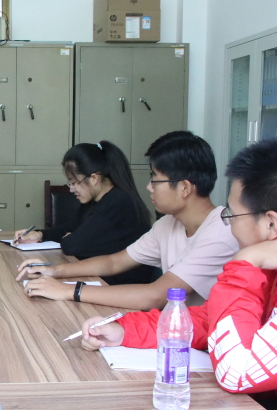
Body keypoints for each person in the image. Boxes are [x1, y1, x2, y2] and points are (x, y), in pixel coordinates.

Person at [79, 137, 277, 410]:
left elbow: (237, 372)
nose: (227, 225)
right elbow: (210, 322)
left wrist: (244, 263)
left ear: (271, 225)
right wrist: (124, 330)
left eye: (231, 215)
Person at [16, 131, 239, 309]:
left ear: (184, 188)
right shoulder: (167, 224)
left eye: (155, 179)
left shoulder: (220, 234)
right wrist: (54, 271)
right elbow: (114, 262)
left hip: (199, 344)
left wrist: (68, 291)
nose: (149, 187)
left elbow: (155, 296)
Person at [12, 140, 154, 285]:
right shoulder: (94, 201)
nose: (71, 189)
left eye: (74, 183)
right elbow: (67, 228)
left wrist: (70, 238)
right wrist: (40, 235)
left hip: (123, 283)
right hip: (101, 275)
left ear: (93, 178)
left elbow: (73, 246)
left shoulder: (118, 201)